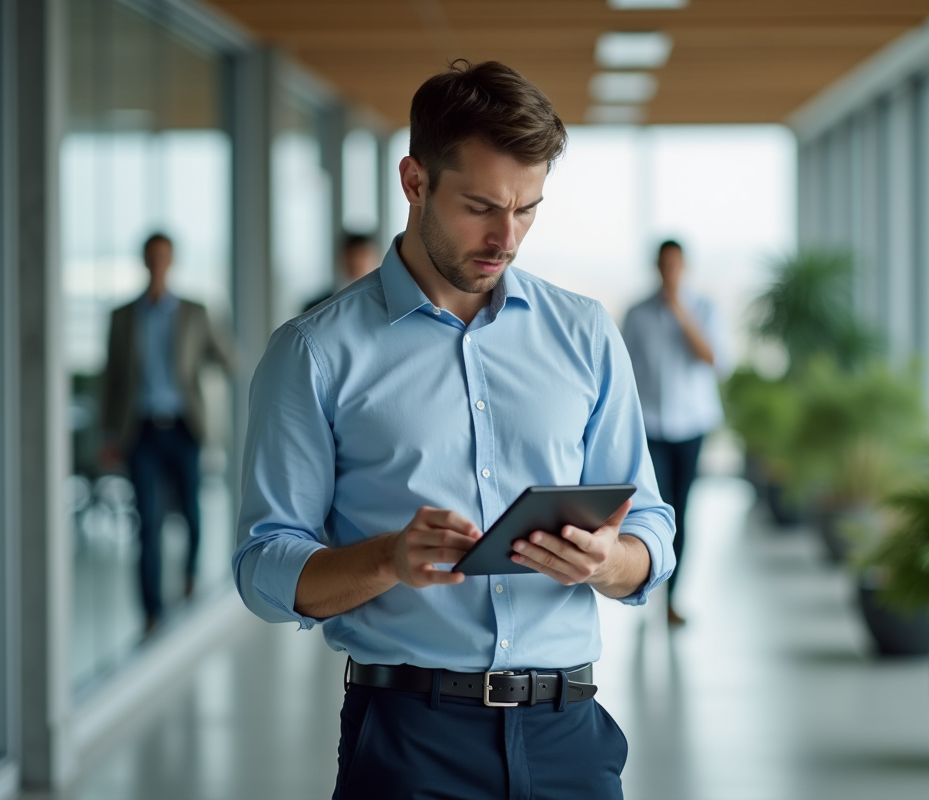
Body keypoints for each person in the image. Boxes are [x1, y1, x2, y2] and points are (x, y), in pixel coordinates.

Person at [233, 60, 675, 800]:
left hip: (570, 736)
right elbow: (263, 568)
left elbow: (654, 530)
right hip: (410, 741)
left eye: (528, 209)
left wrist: (605, 561)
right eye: (481, 206)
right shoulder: (315, 352)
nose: (507, 237)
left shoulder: (586, 334)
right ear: (414, 182)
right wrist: (387, 559)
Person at [101, 232, 234, 634]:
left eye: (164, 256)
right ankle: (152, 611)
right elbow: (112, 379)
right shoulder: (123, 316)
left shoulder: (194, 312)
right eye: (152, 256)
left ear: (171, 261)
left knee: (192, 513)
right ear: (144, 260)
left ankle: (191, 575)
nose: (158, 262)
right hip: (139, 432)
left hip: (183, 427)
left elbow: (224, 355)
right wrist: (107, 436)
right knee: (148, 522)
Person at [621, 240, 732, 627]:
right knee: (653, 511)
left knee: (682, 512)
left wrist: (679, 312)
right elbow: (624, 375)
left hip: (691, 427)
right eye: (664, 265)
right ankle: (646, 591)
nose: (669, 271)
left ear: (684, 267)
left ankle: (673, 598)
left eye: (676, 265)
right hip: (650, 428)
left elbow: (713, 359)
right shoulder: (637, 314)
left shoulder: (704, 308)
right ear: (656, 266)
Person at [301, 231, 381, 312]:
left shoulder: (383, 305)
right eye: (353, 255)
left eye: (364, 255)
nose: (357, 262)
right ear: (342, 258)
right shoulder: (315, 307)